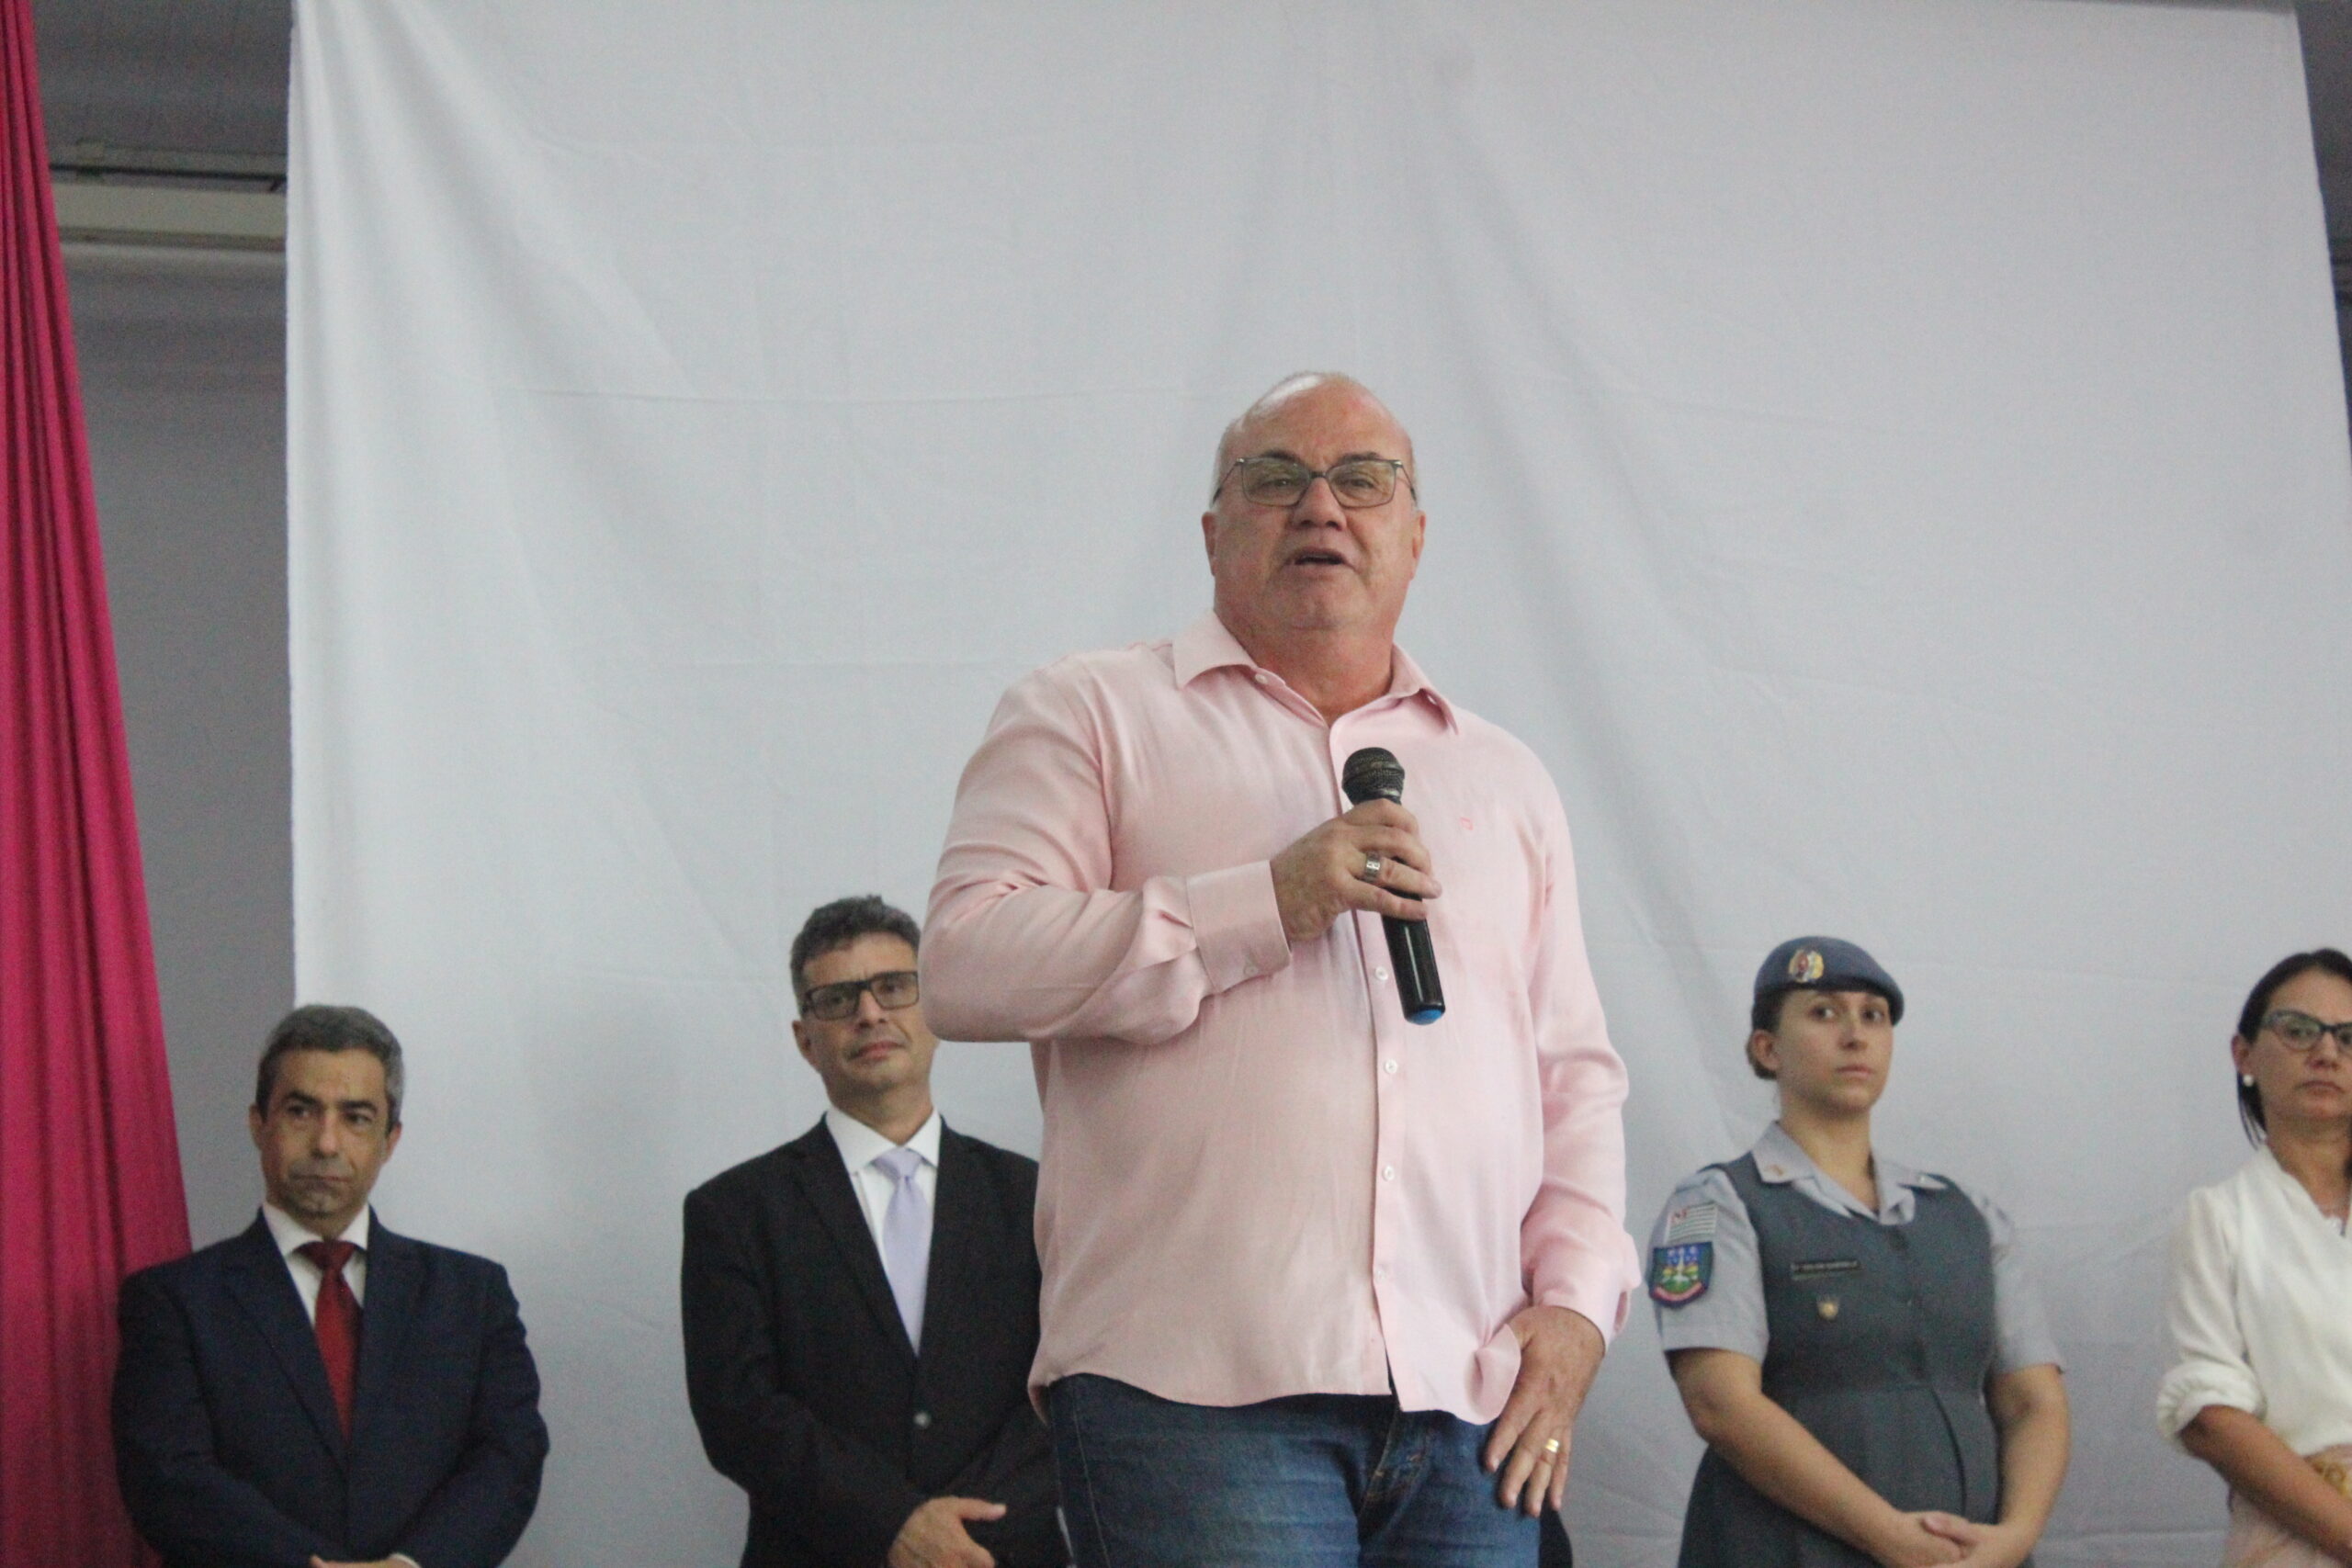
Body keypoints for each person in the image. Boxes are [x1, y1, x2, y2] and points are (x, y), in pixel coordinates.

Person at [922, 372, 1639, 1566]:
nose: (1321, 507)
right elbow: (966, 962)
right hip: (1191, 1398)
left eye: (1362, 480)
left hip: (1471, 1401)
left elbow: (1574, 1077)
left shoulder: (1505, 776)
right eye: (1276, 479)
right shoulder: (1091, 711)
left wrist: (1574, 1309)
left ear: (1416, 535)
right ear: (1213, 532)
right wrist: (1265, 901)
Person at [1649, 937, 2069, 1568]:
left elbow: (2033, 1400)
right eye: (1823, 1012)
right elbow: (1720, 1402)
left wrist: (2014, 1538)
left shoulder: (1967, 1214)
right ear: (1767, 1048)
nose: (1855, 1036)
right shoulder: (1719, 1204)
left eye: (1873, 1016)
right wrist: (1889, 1536)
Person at [681, 896, 1062, 1568]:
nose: (870, 1013)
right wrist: (892, 1524)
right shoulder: (734, 1212)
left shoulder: (1034, 1193)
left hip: (1004, 1552)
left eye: (893, 986)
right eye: (837, 999)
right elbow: (737, 1414)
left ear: (935, 1008)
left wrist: (964, 1535)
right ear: (805, 1039)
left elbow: (1072, 1381)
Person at [112, 1005, 548, 1568]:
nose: (326, 1143)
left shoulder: (473, 1297)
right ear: (258, 1125)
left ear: (390, 1140)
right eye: (301, 1111)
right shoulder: (173, 1302)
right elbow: (168, 1475)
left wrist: (411, 1565)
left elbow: (509, 1457)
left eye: (356, 1117)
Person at [2159, 947, 2352, 1565]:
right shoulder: (2220, 1216)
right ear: (2244, 1054)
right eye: (2298, 1029)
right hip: (2302, 1538)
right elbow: (2212, 1415)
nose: (2327, 1052)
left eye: (2349, 1037)